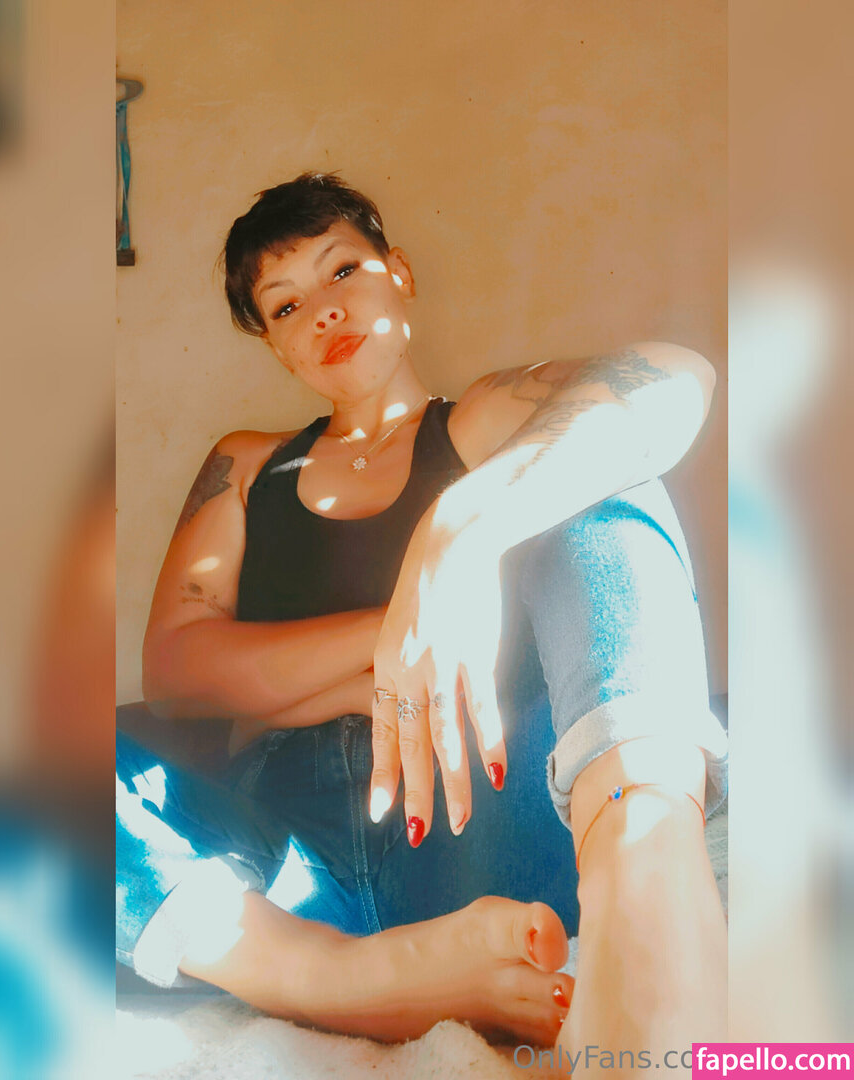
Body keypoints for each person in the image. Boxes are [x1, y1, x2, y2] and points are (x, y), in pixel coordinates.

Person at [117, 173, 727, 1064]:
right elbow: (178, 668)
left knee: (596, 460)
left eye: (342, 271)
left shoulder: (481, 419)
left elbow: (672, 381)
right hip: (282, 875)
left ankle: (649, 898)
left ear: (398, 272)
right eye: (285, 306)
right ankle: (347, 978)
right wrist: (401, 630)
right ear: (276, 345)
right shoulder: (245, 467)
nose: (323, 312)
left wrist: (460, 531)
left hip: (478, 821)